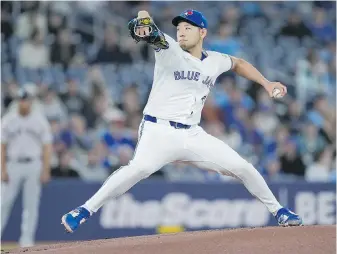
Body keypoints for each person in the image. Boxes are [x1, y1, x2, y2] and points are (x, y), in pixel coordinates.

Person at [61, 9, 302, 233]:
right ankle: (84, 210)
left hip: (192, 134)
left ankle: (279, 210)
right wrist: (144, 22)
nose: (182, 31)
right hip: (159, 130)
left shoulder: (215, 60)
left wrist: (267, 83)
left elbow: (238, 64)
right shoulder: (169, 49)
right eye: (179, 28)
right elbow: (150, 29)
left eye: (188, 27)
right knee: (138, 169)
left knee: (243, 167)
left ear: (203, 32)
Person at [1, 88, 52, 247]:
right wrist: (2, 169)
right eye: (22, 99)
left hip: (33, 164)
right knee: (3, 202)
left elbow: (47, 146)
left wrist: (46, 169)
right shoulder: (9, 119)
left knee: (31, 204)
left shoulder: (39, 120)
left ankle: (26, 241)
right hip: (13, 164)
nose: (24, 102)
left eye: (27, 99)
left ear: (31, 101)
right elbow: (2, 146)